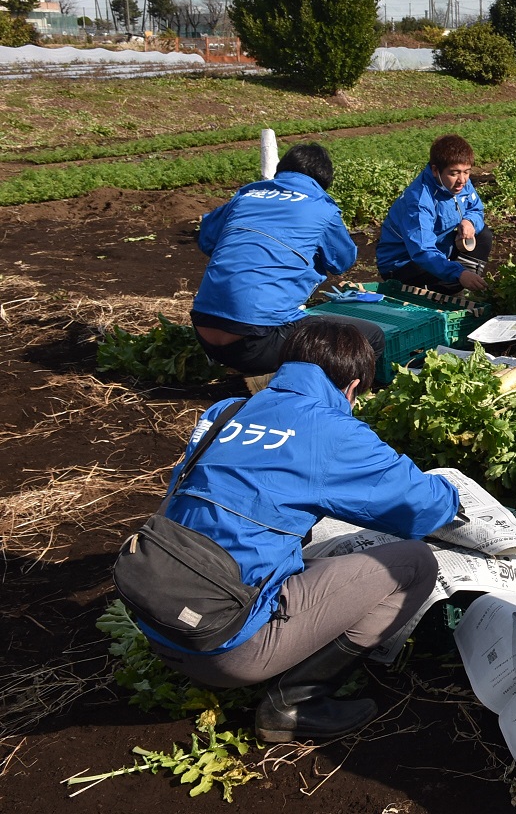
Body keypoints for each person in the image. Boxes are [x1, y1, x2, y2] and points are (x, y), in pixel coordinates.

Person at [138, 319, 461, 742]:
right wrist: (452, 489)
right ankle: (295, 702)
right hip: (223, 648)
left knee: (301, 547)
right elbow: (424, 510)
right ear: (352, 387)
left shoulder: (226, 411)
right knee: (416, 562)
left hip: (156, 616)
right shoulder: (332, 433)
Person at [191, 142, 386, 376]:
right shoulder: (321, 207)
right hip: (258, 342)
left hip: (204, 332)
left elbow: (207, 239)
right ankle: (316, 396)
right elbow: (342, 261)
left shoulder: (247, 195)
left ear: (280, 170)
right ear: (323, 181)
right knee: (371, 337)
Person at [376, 133, 492, 294]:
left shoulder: (461, 184)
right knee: (455, 281)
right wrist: (458, 273)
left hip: (439, 247)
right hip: (404, 262)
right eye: (454, 173)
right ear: (435, 171)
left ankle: (467, 287)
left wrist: (470, 221)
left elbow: (476, 208)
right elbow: (422, 251)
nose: (462, 180)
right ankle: (447, 292)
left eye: (466, 172)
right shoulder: (419, 202)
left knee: (483, 235)